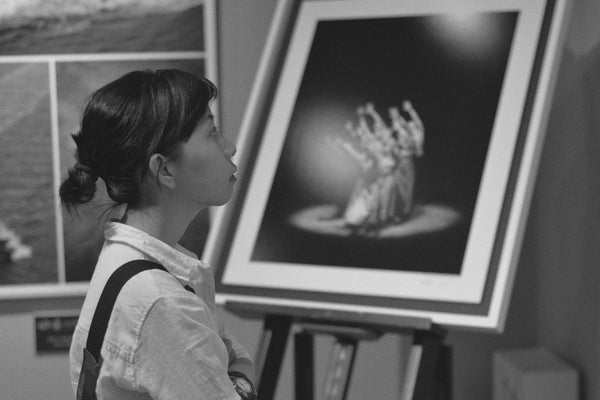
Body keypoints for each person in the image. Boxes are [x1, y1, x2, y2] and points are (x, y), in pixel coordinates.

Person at [60, 69, 255, 400]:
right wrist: (244, 373)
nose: (231, 147)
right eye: (212, 132)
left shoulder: (125, 262)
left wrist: (234, 370)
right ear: (164, 169)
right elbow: (235, 360)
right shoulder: (162, 301)